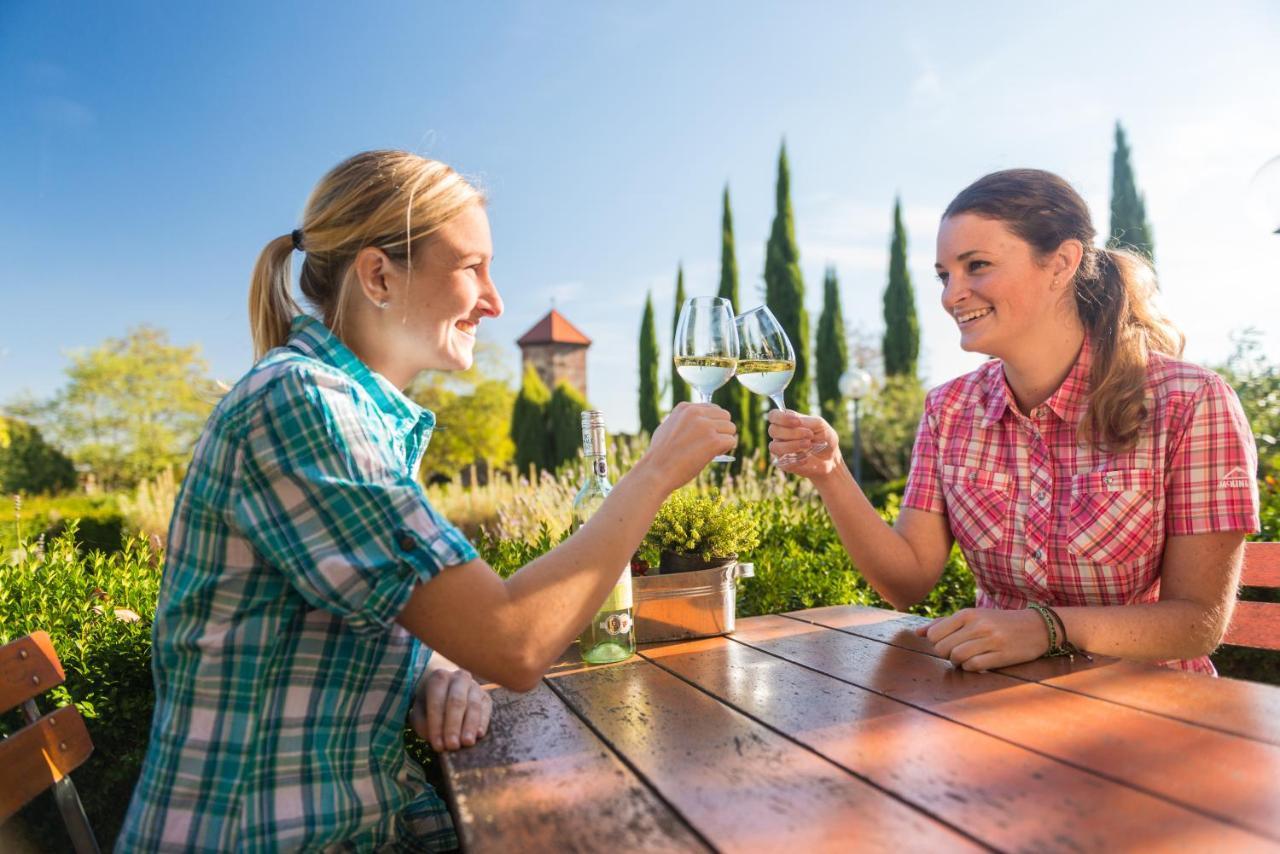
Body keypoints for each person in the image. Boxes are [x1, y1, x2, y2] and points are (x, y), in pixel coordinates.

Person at [119, 150, 736, 852]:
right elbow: (514, 643)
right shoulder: (304, 407)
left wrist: (437, 664)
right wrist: (651, 475)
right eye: (473, 267)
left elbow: (423, 620)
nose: (495, 301)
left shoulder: (352, 413)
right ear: (379, 275)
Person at [767, 168, 1259, 675]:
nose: (950, 295)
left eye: (976, 266)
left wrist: (1048, 628)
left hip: (1151, 711)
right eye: (944, 275)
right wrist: (830, 472)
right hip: (992, 705)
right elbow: (907, 582)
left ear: (1062, 263)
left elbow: (1199, 620)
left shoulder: (1190, 402)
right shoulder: (949, 410)